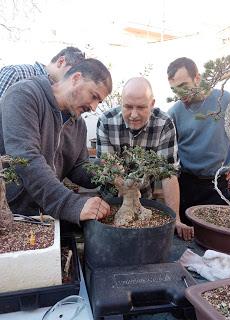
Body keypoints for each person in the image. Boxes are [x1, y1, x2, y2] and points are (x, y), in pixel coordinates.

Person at [0, 58, 112, 225]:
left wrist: (105, 171)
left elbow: (77, 167)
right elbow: (26, 159)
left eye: (99, 101)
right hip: (11, 214)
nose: (94, 107)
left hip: (46, 217)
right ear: (76, 78)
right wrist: (71, 204)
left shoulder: (78, 124)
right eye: (93, 96)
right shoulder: (24, 95)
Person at [96, 77, 194, 240]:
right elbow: (109, 165)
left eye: (141, 107)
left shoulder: (164, 123)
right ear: (121, 102)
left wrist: (176, 219)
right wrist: (128, 190)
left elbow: (168, 173)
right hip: (109, 200)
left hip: (145, 200)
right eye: (128, 107)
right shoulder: (106, 121)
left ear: (152, 103)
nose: (134, 114)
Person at [167, 57, 230, 224]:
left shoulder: (227, 101)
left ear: (197, 78)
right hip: (186, 184)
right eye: (174, 89)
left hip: (218, 185)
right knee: (186, 238)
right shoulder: (174, 112)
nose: (180, 94)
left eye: (183, 86)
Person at [0, 46, 86, 97]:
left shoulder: (57, 95)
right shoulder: (16, 73)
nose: (73, 80)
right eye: (72, 73)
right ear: (61, 62)